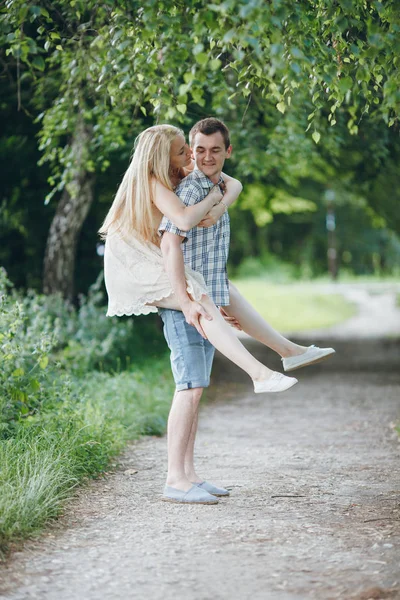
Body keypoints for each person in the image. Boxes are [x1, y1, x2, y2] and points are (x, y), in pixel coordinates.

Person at [100, 120, 335, 504]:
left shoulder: (184, 179)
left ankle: (189, 473)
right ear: (164, 156)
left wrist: (224, 194)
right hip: (136, 266)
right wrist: (188, 298)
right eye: (184, 152)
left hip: (158, 264)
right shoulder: (158, 183)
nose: (192, 158)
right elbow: (183, 225)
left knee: (199, 367)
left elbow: (233, 183)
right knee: (189, 378)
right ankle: (178, 477)